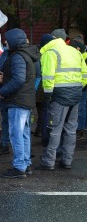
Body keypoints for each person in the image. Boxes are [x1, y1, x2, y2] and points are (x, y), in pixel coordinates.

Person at [38, 31, 87, 170]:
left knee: (55, 129)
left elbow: (48, 77)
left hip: (59, 96)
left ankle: (48, 161)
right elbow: (85, 74)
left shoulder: (51, 52)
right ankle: (67, 160)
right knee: (71, 129)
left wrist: (48, 95)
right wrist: (77, 89)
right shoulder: (74, 51)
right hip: (75, 94)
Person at [0, 29, 40, 179]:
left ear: (14, 40)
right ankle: (25, 164)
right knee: (24, 133)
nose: (5, 42)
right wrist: (5, 79)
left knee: (16, 134)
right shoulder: (26, 55)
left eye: (7, 39)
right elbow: (22, 77)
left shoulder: (18, 56)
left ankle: (19, 167)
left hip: (17, 101)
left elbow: (19, 79)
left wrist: (2, 91)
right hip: (24, 100)